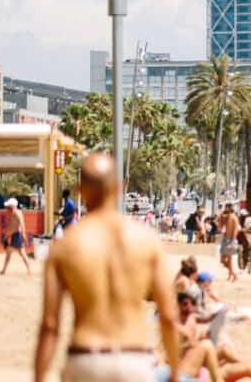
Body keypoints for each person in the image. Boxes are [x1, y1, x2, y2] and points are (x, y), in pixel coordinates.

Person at [34, 153, 181, 382]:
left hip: (85, 359)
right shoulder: (146, 240)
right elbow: (169, 316)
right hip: (133, 359)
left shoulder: (66, 246)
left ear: (80, 190)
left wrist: (39, 377)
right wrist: (175, 371)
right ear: (119, 187)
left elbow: (50, 325)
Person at [0, 198, 31, 275]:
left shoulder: (17, 213)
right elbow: (12, 227)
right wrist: (7, 236)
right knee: (20, 253)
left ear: (13, 206)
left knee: (11, 253)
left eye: (9, 206)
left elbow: (21, 224)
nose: (7, 208)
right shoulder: (14, 213)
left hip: (17, 235)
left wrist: (23, 234)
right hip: (15, 235)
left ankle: (4, 270)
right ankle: (29, 270)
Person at [217, 204, 240, 282]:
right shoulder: (226, 216)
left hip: (230, 240)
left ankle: (232, 275)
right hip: (225, 239)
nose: (225, 209)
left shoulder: (234, 217)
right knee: (223, 260)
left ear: (230, 208)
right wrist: (220, 218)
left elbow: (235, 230)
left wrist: (232, 242)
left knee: (228, 260)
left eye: (226, 207)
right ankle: (232, 274)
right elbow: (220, 228)